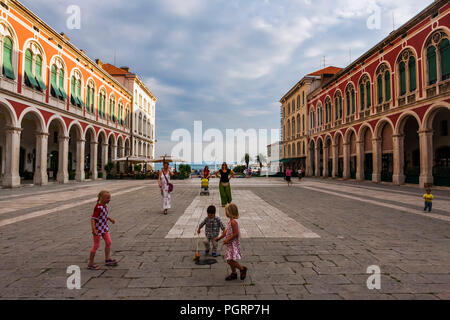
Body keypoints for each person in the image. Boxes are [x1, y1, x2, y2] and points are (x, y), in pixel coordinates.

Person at [215, 203, 247, 281]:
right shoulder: (231, 221)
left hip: (233, 244)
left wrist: (227, 240)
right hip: (230, 244)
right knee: (231, 259)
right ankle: (234, 273)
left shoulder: (234, 222)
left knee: (229, 261)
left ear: (230, 212)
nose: (225, 213)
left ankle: (242, 269)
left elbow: (236, 233)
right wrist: (220, 238)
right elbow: (226, 231)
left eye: (226, 211)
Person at [88, 190, 117, 270]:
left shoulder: (104, 206)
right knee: (96, 246)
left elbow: (103, 215)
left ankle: (107, 259)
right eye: (107, 198)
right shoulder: (98, 207)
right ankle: (90, 263)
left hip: (104, 228)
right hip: (98, 229)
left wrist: (110, 219)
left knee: (109, 242)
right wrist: (94, 229)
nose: (109, 199)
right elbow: (93, 219)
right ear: (101, 198)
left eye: (109, 198)